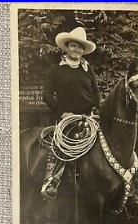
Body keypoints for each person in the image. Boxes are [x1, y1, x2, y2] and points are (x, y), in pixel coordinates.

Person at [41, 27, 100, 200]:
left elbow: (96, 94)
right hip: (67, 118)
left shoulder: (88, 69)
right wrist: (62, 113)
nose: (76, 50)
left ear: (83, 51)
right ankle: (52, 181)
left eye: (80, 47)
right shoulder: (55, 69)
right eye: (73, 46)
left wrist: (97, 110)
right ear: (66, 48)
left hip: (88, 118)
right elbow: (46, 94)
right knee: (61, 145)